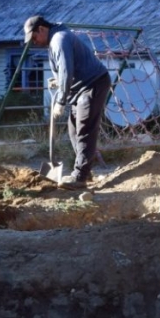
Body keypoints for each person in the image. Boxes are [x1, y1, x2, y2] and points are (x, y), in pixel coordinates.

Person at [24, 15, 112, 189]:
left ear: (41, 29)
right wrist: (58, 80)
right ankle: (86, 169)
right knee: (73, 131)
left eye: (34, 37)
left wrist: (61, 100)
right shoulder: (57, 38)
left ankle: (80, 177)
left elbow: (66, 68)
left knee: (85, 129)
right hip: (80, 87)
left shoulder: (59, 39)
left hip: (93, 84)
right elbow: (70, 66)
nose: (34, 42)